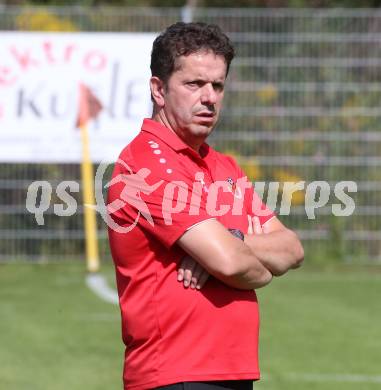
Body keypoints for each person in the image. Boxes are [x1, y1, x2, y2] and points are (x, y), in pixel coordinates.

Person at [107, 22, 304, 390]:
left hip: (230, 370)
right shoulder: (145, 167)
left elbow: (291, 249)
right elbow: (237, 265)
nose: (209, 97)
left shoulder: (223, 165)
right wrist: (245, 259)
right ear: (158, 89)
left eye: (217, 85)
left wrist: (231, 237)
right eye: (194, 84)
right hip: (177, 374)